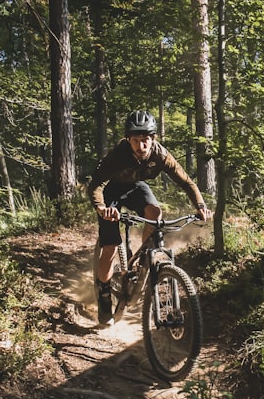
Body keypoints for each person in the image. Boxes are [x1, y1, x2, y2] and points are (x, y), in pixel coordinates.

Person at [87, 110, 212, 324]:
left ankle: (143, 258)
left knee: (155, 213)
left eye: (144, 140)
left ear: (152, 139)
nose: (140, 146)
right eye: (135, 140)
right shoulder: (118, 155)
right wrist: (102, 209)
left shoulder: (161, 155)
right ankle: (105, 295)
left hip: (136, 187)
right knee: (110, 246)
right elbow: (96, 185)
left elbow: (187, 182)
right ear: (128, 140)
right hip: (112, 191)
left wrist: (200, 206)